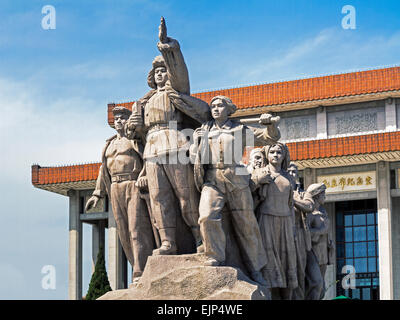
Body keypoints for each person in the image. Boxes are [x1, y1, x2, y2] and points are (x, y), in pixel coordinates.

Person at [127, 17, 210, 255]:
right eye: (158, 71)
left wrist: (168, 48)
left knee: (186, 197)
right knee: (160, 199)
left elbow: (180, 73)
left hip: (175, 144)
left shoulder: (176, 92)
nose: (162, 74)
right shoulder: (144, 102)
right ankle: (168, 242)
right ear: (152, 76)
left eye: (165, 70)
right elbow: (136, 136)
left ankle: (199, 236)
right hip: (152, 151)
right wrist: (135, 127)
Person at [190, 95, 281, 286]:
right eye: (213, 106)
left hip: (236, 178)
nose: (216, 109)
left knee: (246, 224)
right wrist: (196, 142)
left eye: (220, 105)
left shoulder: (240, 129)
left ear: (229, 109)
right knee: (206, 216)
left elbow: (270, 138)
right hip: (212, 178)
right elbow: (193, 157)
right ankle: (214, 255)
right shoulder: (204, 130)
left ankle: (256, 269)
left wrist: (270, 124)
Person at [85, 106, 155, 283]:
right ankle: (137, 269)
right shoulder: (109, 144)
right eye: (116, 119)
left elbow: (149, 158)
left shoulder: (137, 140)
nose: (119, 121)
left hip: (133, 184)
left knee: (137, 229)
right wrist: (97, 193)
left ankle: (142, 271)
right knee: (123, 231)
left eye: (123, 118)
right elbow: (103, 169)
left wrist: (144, 174)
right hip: (115, 187)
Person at [251, 143, 297, 299]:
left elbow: (291, 205)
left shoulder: (289, 177)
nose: (276, 155)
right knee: (269, 261)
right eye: (272, 152)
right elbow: (247, 194)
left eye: (279, 152)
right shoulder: (260, 173)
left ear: (284, 156)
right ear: (267, 155)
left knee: (287, 263)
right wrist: (258, 181)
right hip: (266, 220)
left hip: (285, 222)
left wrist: (292, 227)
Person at [287, 163, 319, 300]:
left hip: (300, 237)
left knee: (314, 280)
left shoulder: (303, 193)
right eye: (289, 171)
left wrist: (292, 200)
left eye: (294, 172)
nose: (292, 174)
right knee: (292, 275)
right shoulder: (276, 189)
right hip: (284, 235)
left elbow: (309, 206)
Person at [305, 182, 334, 299]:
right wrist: (321, 231)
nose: (325, 197)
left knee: (321, 289)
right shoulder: (310, 214)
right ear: (316, 196)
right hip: (313, 253)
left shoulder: (323, 213)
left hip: (323, 254)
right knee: (316, 284)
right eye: (323, 194)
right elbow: (305, 232)